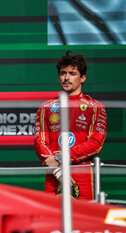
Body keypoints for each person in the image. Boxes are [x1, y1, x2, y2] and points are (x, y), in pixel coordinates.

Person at [34, 51, 107, 200]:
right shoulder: (46, 107)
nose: (66, 78)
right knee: (51, 222)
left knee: (84, 222)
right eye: (63, 73)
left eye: (72, 73)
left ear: (83, 78)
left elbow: (96, 144)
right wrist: (59, 172)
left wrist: (61, 158)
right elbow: (40, 142)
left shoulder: (95, 107)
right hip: (54, 176)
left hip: (82, 177)